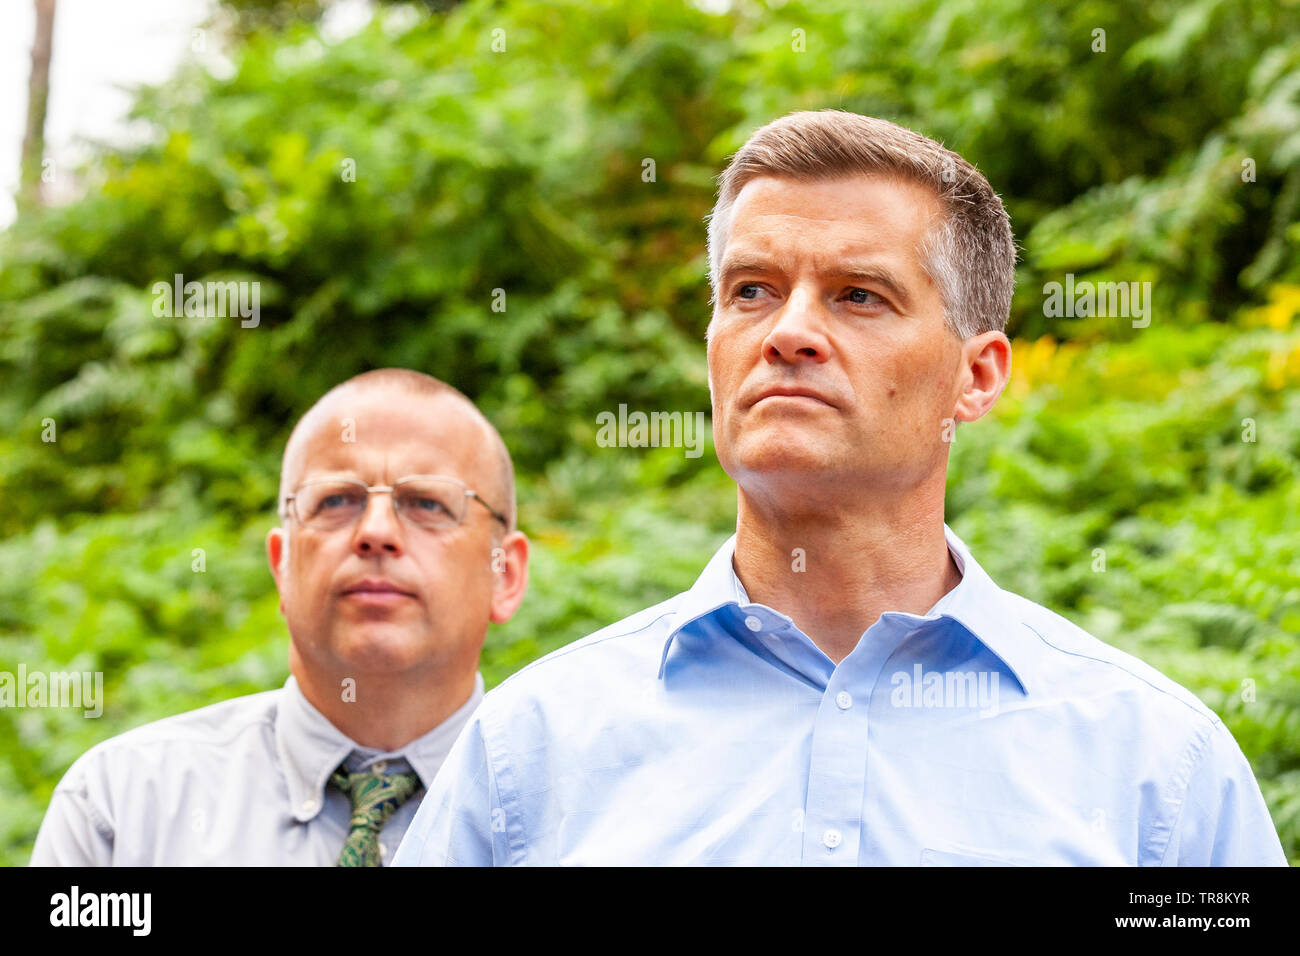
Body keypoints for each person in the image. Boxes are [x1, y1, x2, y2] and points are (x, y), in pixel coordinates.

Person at [395, 111, 1287, 866]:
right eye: (751, 290)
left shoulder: (1158, 773)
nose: (789, 332)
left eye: (859, 296)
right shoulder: (528, 758)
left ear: (976, 376)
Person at [31, 368, 528, 865]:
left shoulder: (579, 815)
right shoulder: (121, 811)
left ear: (504, 574)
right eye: (336, 500)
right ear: (281, 565)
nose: (377, 531)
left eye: (426, 502)